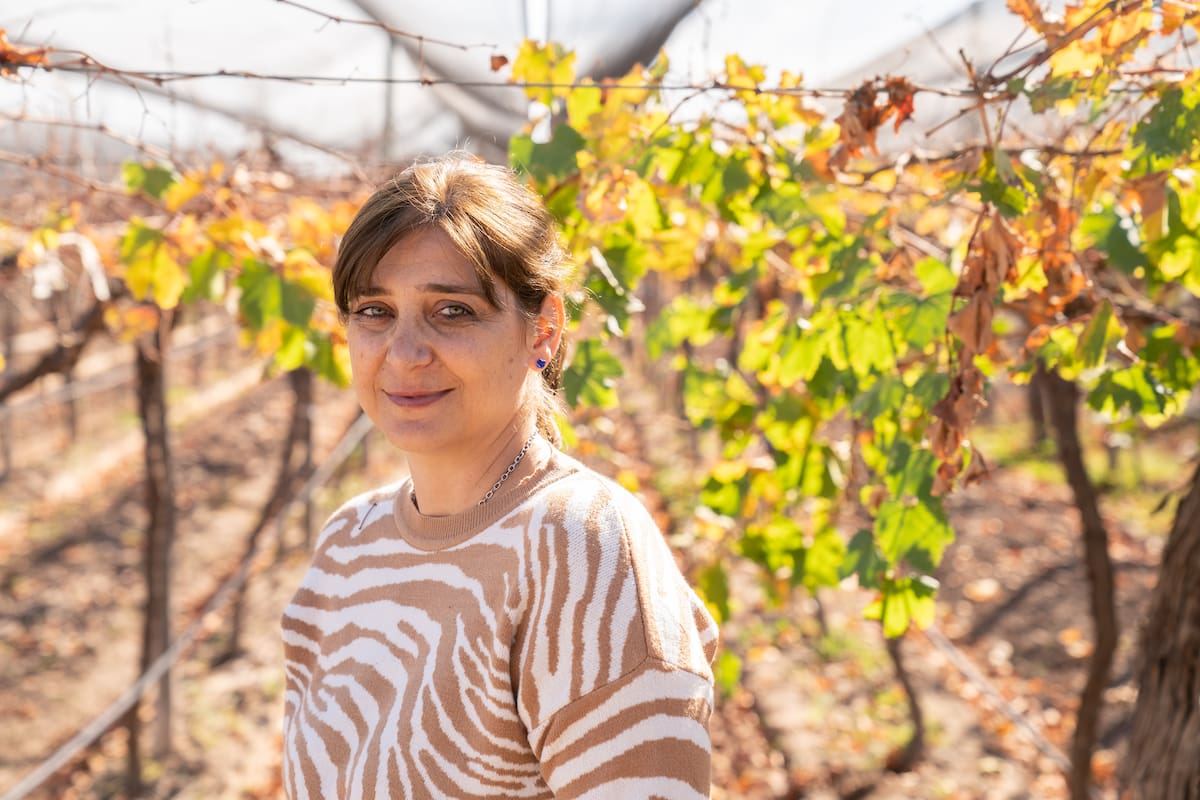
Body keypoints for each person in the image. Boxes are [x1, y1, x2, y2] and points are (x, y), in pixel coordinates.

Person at [280, 152, 720, 799]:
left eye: (451, 311)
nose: (403, 353)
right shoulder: (346, 546)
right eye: (375, 311)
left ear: (543, 330)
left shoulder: (582, 549)